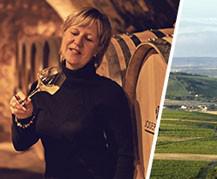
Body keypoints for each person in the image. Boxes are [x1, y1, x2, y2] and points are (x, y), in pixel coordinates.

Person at [9, 7, 135, 179]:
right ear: (64, 35)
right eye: (74, 33)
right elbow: (21, 143)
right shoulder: (44, 86)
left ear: (98, 49)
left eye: (88, 39)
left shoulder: (108, 93)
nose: (78, 42)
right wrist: (23, 117)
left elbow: (124, 154)